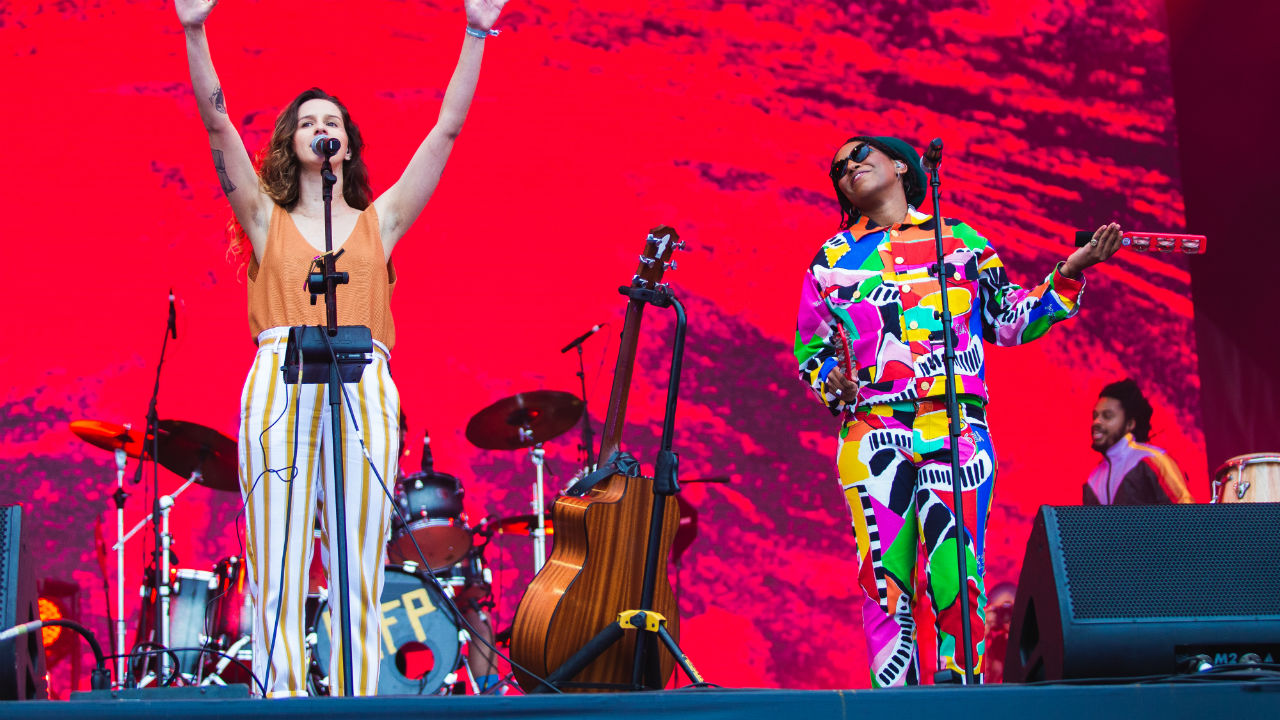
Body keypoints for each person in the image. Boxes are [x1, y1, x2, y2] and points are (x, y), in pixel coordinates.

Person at [175, 0, 509, 697]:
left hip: (363, 380)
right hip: (280, 374)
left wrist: (476, 34)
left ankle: (359, 705)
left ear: (347, 146)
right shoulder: (264, 220)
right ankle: (282, 700)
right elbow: (215, 122)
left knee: (359, 564)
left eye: (332, 122)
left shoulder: (377, 222)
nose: (321, 128)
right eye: (308, 121)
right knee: (278, 561)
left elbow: (445, 133)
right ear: (289, 143)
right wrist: (194, 29)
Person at [794, 135, 1122, 686]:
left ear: (900, 164)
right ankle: (893, 699)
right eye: (838, 169)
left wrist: (1069, 271)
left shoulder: (961, 242)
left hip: (955, 424)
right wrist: (834, 381)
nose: (847, 167)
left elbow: (1008, 318)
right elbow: (812, 352)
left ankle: (959, 693)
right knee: (884, 578)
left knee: (955, 572)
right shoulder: (828, 261)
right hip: (871, 429)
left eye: (858, 155)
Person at [1085, 378, 1193, 505]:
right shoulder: (1093, 480)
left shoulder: (1153, 460)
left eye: (1107, 416)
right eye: (1095, 416)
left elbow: (1187, 514)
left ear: (1130, 424)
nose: (1096, 422)